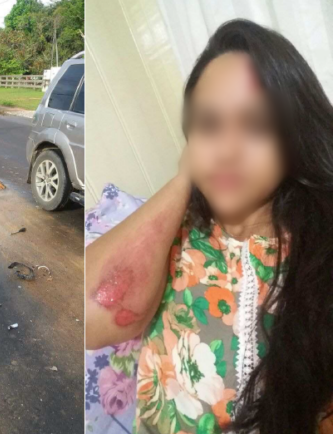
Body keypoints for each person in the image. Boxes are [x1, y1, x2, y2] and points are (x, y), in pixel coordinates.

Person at [85, 20, 333, 434]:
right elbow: (90, 318)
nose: (227, 149)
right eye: (209, 125)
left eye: (256, 125)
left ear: (294, 136)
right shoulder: (172, 240)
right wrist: (185, 177)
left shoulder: (319, 253)